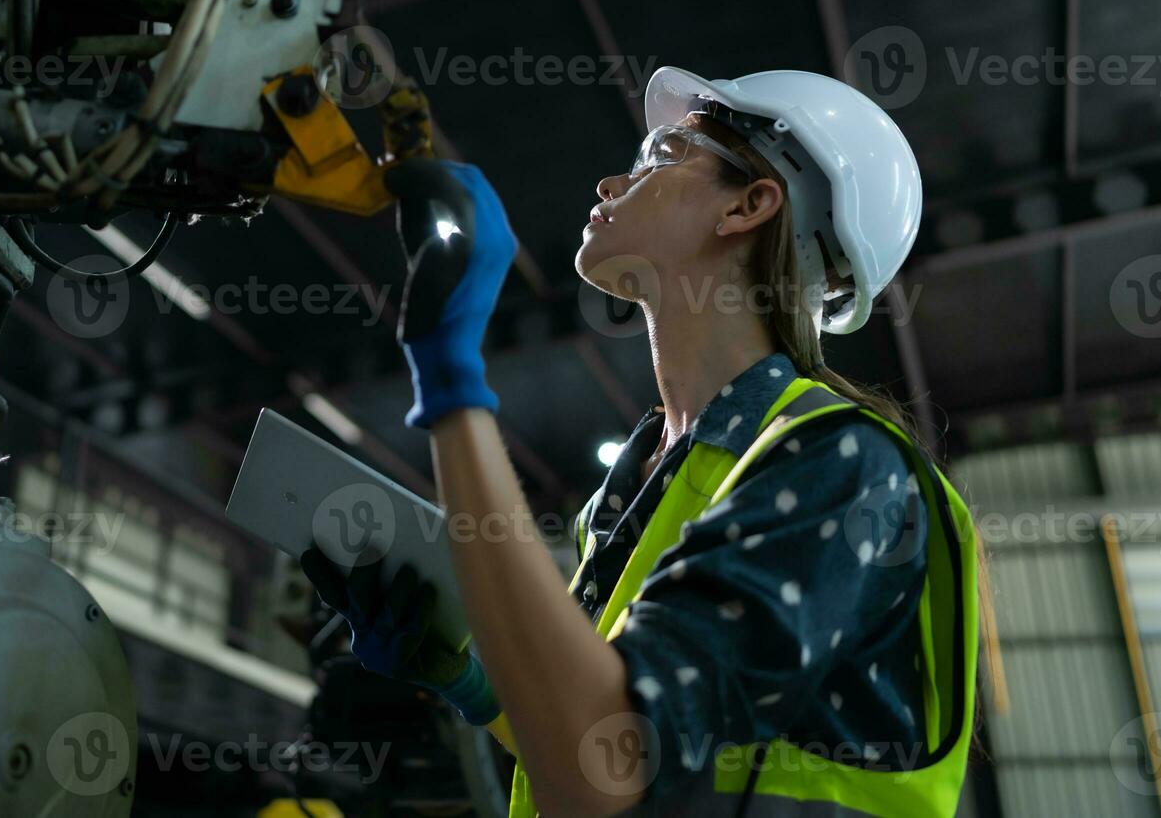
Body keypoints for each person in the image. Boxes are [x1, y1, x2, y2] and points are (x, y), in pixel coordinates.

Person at [299, 67, 980, 817]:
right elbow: (600, 741)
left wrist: (451, 376)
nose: (608, 183)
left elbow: (611, 760)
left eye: (662, 153)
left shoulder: (841, 465)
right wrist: (470, 683)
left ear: (750, 205)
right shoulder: (633, 486)